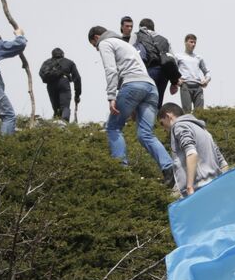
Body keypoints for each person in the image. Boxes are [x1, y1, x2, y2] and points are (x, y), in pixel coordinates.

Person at [88, 24, 175, 186]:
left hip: (132, 85)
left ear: (96, 38)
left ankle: (121, 171)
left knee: (113, 127)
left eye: (94, 45)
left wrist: (111, 96)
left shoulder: (105, 43)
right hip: (150, 88)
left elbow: (111, 70)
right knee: (145, 134)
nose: (96, 48)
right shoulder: (126, 44)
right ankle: (169, 168)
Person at [158, 103, 227, 197]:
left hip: (198, 190)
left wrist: (189, 187)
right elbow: (223, 163)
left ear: (168, 116)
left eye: (162, 123)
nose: (163, 129)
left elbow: (191, 153)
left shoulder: (179, 126)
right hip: (214, 186)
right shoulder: (203, 130)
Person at [135, 20, 177, 105]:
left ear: (141, 27)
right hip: (164, 73)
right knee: (158, 101)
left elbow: (131, 52)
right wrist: (174, 82)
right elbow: (173, 59)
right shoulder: (164, 39)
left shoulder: (138, 35)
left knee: (144, 101)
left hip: (149, 70)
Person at [38, 48, 82, 122]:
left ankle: (56, 123)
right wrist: (77, 95)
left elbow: (41, 73)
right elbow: (77, 78)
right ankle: (64, 122)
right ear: (63, 54)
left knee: (56, 108)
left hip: (50, 85)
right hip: (63, 82)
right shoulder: (69, 62)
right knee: (65, 106)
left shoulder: (46, 62)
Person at [173, 34, 210, 112]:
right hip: (185, 85)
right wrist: (177, 80)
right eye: (191, 42)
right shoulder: (178, 56)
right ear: (185, 42)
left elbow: (207, 72)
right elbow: (173, 70)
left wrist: (206, 80)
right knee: (187, 110)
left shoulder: (198, 58)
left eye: (195, 42)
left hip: (198, 86)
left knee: (200, 112)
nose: (193, 44)